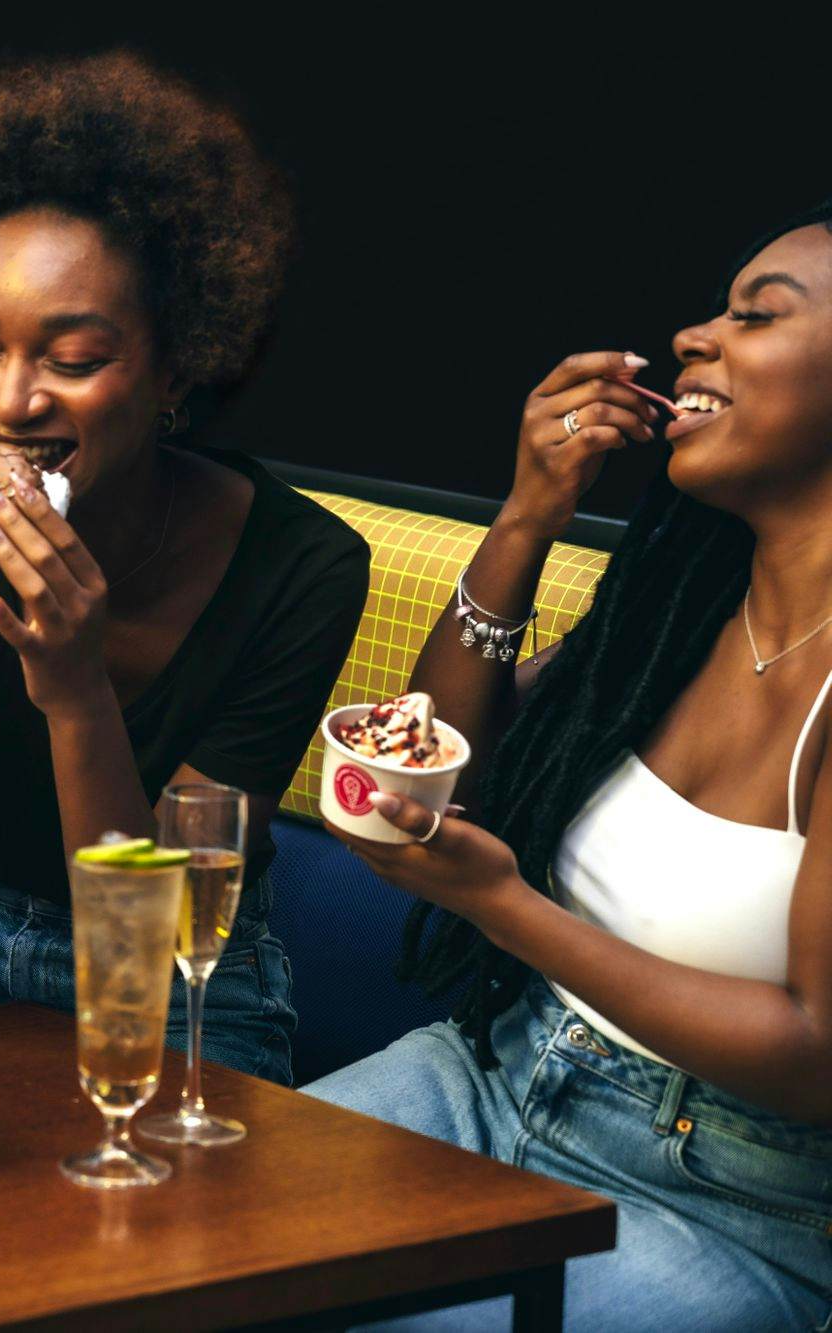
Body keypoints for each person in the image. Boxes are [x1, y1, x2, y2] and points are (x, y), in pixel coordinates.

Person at [0, 53, 369, 1084]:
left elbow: (144, 944)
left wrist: (73, 689)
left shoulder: (298, 567)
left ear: (173, 368)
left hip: (185, 981)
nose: (8, 404)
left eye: (70, 360)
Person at [306, 204, 832, 1328]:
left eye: (754, 316)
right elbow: (448, 752)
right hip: (493, 1073)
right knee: (162, 1248)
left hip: (730, 1206)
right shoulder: (679, 603)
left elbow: (814, 1052)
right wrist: (525, 518)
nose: (693, 335)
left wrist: (499, 904)